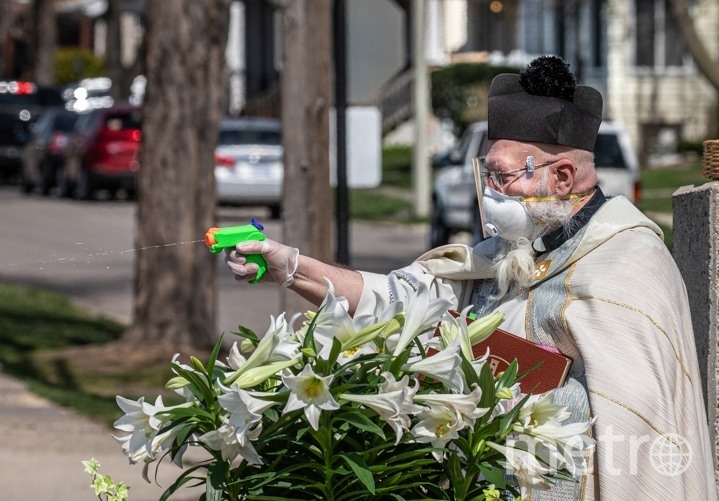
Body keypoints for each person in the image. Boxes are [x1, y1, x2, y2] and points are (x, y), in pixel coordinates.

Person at [225, 55, 716, 500]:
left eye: (503, 176)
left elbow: (637, 431)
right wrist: (292, 268)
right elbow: (400, 302)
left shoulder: (627, 263)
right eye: (489, 174)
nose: (492, 192)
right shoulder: (501, 253)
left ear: (562, 177)